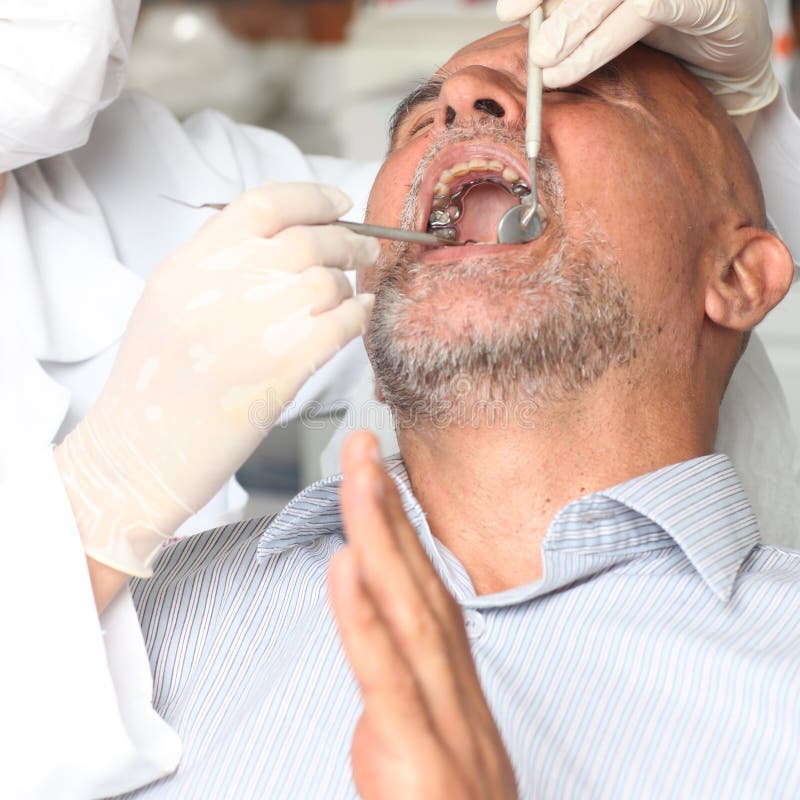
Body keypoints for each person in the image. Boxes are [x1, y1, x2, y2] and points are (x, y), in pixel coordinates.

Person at [2, 1, 798, 797]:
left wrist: (754, 119)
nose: (457, 104)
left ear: (738, 276)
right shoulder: (117, 643)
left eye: (582, 87)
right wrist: (100, 501)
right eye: (420, 118)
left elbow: (648, 236)